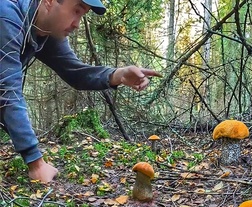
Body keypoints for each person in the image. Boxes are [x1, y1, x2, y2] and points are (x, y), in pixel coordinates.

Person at [0, 0, 162, 183]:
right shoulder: (6, 16)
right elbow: (7, 91)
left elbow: (75, 72)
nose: (77, 24)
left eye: (82, 15)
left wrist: (118, 75)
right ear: (49, 1)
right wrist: (36, 163)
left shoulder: (44, 30)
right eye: (76, 11)